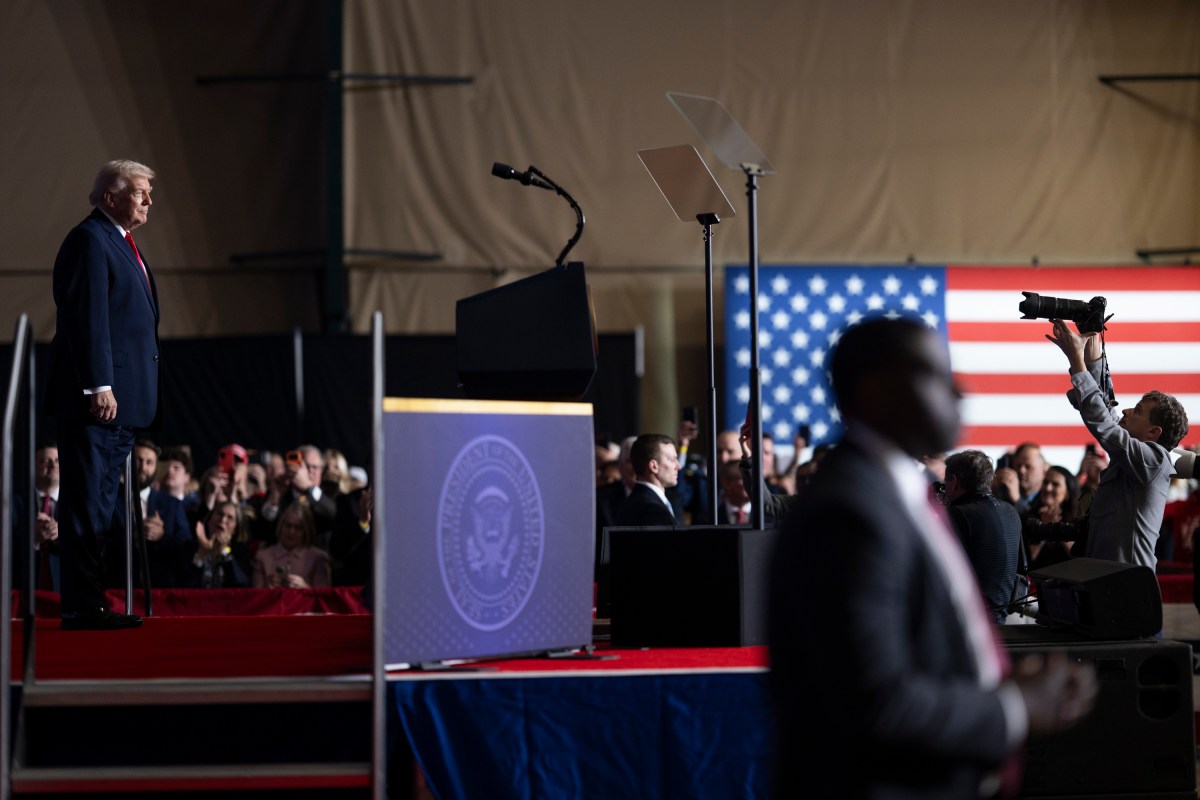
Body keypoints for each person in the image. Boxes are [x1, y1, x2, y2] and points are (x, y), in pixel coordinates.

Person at [769, 316, 1096, 799]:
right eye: (936, 376)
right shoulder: (848, 512)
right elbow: (874, 702)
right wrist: (1016, 707)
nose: (958, 391)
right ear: (877, 391)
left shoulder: (899, 492)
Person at [48, 160, 161, 630]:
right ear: (109, 197)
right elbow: (86, 318)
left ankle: (91, 600)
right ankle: (83, 605)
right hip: (99, 402)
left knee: (101, 503)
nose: (149, 201)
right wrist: (99, 384)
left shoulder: (121, 242)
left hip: (123, 403)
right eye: (140, 192)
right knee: (87, 502)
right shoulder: (90, 240)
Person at [1045, 318, 1189, 569]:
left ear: (1154, 432)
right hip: (1110, 578)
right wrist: (1092, 355)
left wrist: (1076, 360)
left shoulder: (1154, 460)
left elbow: (1104, 425)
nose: (1127, 410)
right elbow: (1108, 414)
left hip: (1127, 584)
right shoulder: (1135, 456)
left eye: (1139, 411)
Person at [942, 450, 1023, 624]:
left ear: (954, 482)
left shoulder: (957, 515)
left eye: (945, 482)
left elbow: (943, 574)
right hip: (1003, 620)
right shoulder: (1011, 512)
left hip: (967, 624)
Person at [106, 440, 194, 589]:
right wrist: (133, 535)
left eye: (149, 462)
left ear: (156, 468)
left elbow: (186, 547)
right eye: (138, 460)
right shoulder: (109, 499)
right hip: (118, 587)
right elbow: (99, 539)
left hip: (159, 589)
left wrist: (161, 537)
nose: (142, 467)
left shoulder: (171, 504)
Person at [252, 502, 332, 589]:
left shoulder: (318, 558)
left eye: (298, 528)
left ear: (306, 531)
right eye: (288, 525)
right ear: (281, 525)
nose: (291, 532)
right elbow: (255, 597)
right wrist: (268, 587)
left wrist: (305, 587)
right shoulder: (262, 556)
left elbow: (323, 598)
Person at [614, 434, 679, 526]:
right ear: (653, 466)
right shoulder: (652, 510)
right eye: (672, 460)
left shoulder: (634, 501)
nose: (678, 466)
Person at [187, 500, 251, 589]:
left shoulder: (240, 551)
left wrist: (224, 551)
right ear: (209, 519)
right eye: (219, 514)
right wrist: (201, 554)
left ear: (235, 528)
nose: (223, 520)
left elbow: (241, 583)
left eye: (230, 518)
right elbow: (184, 585)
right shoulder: (190, 547)